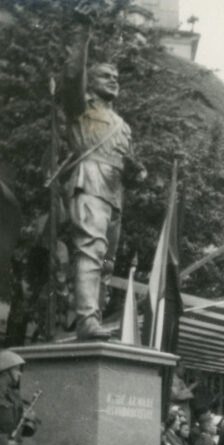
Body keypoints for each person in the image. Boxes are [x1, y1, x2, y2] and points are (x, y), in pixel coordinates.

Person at [62, 34, 147, 339]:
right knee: (90, 251)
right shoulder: (80, 110)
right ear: (90, 81)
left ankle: (92, 318)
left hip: (114, 192)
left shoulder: (123, 126)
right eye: (105, 75)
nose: (113, 80)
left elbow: (128, 162)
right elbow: (72, 76)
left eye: (116, 77)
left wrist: (138, 174)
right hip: (89, 180)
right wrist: (81, 37)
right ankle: (85, 319)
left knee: (108, 262)